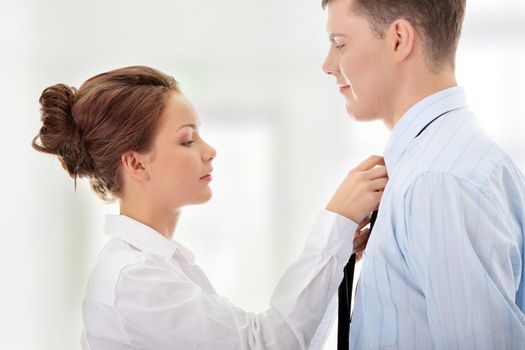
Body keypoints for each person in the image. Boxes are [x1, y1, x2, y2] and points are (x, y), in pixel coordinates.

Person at [31, 65, 388, 349]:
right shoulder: (133, 279)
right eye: (187, 139)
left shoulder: (154, 267)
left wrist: (337, 250)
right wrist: (335, 223)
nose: (209, 150)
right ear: (137, 164)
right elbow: (266, 345)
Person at [321, 0, 525, 348]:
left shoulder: (437, 181)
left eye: (340, 44)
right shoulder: (445, 162)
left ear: (399, 39)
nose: (328, 66)